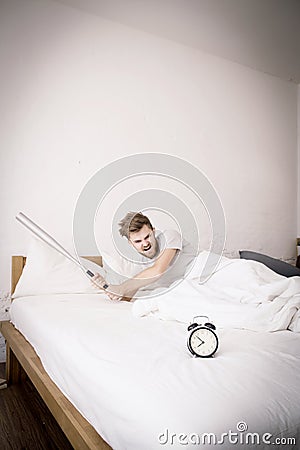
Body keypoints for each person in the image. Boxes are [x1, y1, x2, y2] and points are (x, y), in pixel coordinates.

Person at [92, 211, 195, 301]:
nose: (145, 244)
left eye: (147, 237)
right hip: (188, 290)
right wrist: (106, 287)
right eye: (138, 241)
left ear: (153, 231)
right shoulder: (142, 267)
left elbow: (158, 270)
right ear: (131, 243)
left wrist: (121, 288)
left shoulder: (169, 236)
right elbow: (126, 298)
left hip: (205, 274)